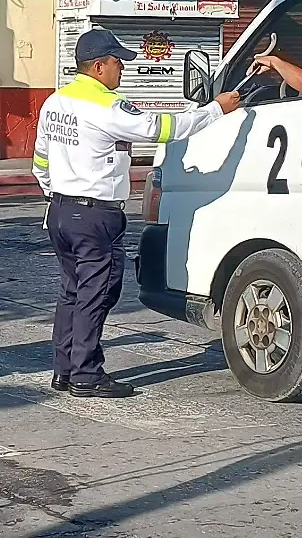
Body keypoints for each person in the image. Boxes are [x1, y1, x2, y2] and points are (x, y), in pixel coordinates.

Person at [33, 28, 242, 398]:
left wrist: (57, 194)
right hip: (94, 214)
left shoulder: (56, 102)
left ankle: (64, 370)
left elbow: (41, 160)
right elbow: (161, 128)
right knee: (95, 295)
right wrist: (215, 110)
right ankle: (86, 375)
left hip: (61, 211)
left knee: (71, 292)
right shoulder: (106, 105)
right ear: (98, 66)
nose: (122, 70)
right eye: (117, 63)